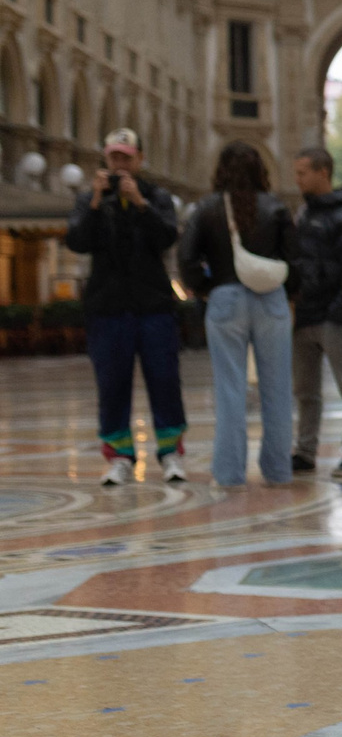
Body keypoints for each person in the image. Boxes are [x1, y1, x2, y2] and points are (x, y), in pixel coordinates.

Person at [65, 128, 188, 485]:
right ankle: (119, 456)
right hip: (107, 309)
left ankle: (170, 454)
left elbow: (167, 237)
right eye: (113, 157)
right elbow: (77, 240)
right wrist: (94, 202)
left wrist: (140, 204)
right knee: (112, 385)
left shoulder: (157, 197)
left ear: (139, 160)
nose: (119, 164)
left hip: (153, 307)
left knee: (164, 380)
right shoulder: (90, 199)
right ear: (105, 159)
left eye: (126, 157)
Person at [177, 143, 298, 488]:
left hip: (225, 299)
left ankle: (229, 473)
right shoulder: (276, 207)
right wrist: (285, 293)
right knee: (277, 388)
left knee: (230, 389)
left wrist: (206, 288)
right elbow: (296, 261)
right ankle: (278, 470)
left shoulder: (207, 208)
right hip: (270, 300)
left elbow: (186, 259)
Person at [288, 147, 342, 476]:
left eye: (302, 173)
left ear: (323, 172)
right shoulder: (304, 214)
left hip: (336, 316)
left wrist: (340, 310)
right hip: (306, 314)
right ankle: (305, 451)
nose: (297, 180)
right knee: (305, 390)